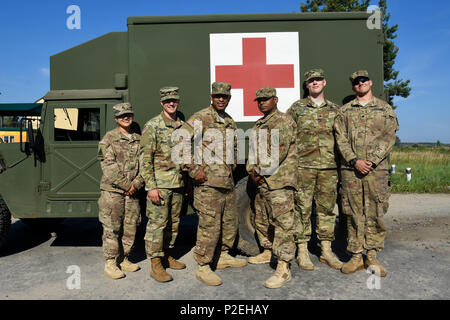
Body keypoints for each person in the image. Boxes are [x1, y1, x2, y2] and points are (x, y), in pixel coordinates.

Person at [334, 70, 399, 277]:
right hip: (351, 170)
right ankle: (355, 257)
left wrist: (370, 161)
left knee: (375, 212)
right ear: (353, 87)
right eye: (356, 82)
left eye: (363, 80)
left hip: (376, 171)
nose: (360, 83)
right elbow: (340, 139)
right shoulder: (344, 112)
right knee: (353, 213)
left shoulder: (384, 109)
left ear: (370, 83)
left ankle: (371, 256)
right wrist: (354, 161)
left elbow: (389, 137)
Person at [185, 81, 247, 286]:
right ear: (211, 97)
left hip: (226, 182)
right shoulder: (201, 117)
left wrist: (230, 170)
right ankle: (203, 266)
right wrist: (194, 170)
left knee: (228, 223)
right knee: (209, 226)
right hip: (208, 184)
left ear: (229, 99)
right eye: (217, 95)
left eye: (225, 96)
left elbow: (235, 147)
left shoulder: (229, 121)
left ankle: (223, 255)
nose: (221, 99)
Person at [286, 69, 343, 271]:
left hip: (329, 168)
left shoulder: (336, 110)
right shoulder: (297, 109)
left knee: (326, 210)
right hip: (304, 167)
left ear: (324, 82)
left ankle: (326, 251)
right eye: (311, 80)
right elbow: (287, 136)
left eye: (318, 79)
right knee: (302, 209)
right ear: (307, 85)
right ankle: (302, 251)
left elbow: (342, 140)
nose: (315, 83)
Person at [247, 87, 298, 289]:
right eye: (259, 100)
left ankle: (284, 267)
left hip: (279, 182)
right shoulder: (259, 124)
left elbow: (280, 151)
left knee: (283, 224)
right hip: (263, 182)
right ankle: (269, 252)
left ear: (275, 100)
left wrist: (260, 172)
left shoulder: (284, 121)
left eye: (266, 99)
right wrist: (252, 171)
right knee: (263, 218)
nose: (262, 103)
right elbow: (252, 151)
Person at [139, 86, 188, 282]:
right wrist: (151, 186)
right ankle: (156, 264)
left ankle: (167, 255)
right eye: (167, 101)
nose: (171, 103)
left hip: (178, 184)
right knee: (157, 226)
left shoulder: (181, 126)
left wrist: (188, 182)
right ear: (161, 103)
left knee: (173, 225)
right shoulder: (153, 125)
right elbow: (145, 159)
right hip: (160, 185)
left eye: (174, 100)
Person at [97, 102, 143, 279]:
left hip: (133, 192)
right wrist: (127, 185)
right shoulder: (108, 139)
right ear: (116, 118)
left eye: (129, 114)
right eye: (122, 115)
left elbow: (145, 165)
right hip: (113, 192)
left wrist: (137, 184)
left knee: (130, 226)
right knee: (112, 227)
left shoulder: (139, 139)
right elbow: (108, 166)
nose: (126, 117)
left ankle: (124, 259)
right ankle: (110, 263)